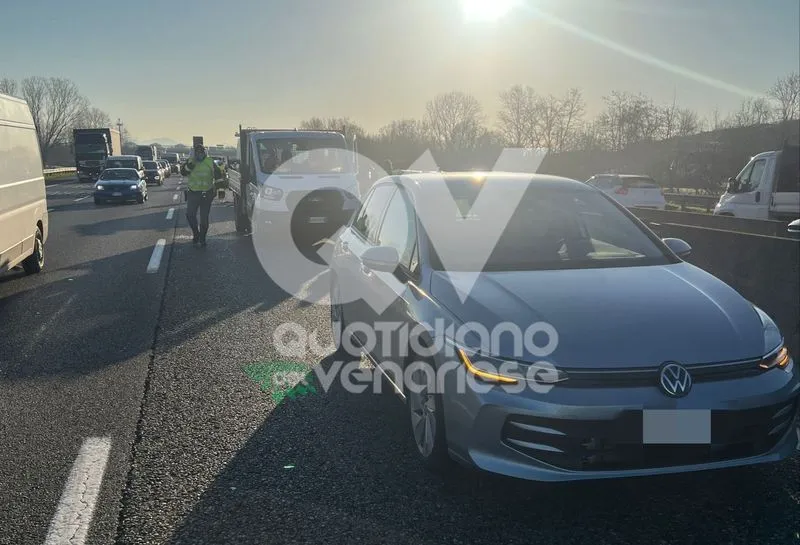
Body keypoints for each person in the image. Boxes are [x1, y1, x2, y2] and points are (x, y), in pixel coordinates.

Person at [181, 144, 224, 247]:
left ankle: (202, 238)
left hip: (207, 194)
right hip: (193, 193)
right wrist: (191, 164)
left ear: (204, 152)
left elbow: (218, 175)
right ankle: (196, 233)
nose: (199, 154)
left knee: (204, 218)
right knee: (190, 215)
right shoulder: (190, 161)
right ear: (194, 153)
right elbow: (183, 172)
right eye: (197, 152)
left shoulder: (210, 162)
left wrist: (221, 190)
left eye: (201, 152)